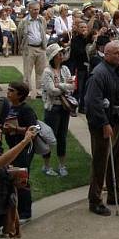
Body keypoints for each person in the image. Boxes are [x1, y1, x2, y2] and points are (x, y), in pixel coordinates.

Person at [85, 41, 119, 216]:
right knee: (101, 161)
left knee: (118, 159)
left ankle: (116, 192)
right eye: (116, 53)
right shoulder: (99, 74)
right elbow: (93, 102)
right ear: (106, 54)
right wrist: (104, 123)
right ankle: (95, 199)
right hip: (105, 124)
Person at [3, 82, 38, 223]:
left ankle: (25, 212)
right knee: (15, 177)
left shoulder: (26, 110)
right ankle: (18, 208)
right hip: (14, 147)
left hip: (25, 149)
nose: (8, 92)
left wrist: (15, 129)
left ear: (20, 95)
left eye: (12, 91)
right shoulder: (10, 108)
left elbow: (33, 130)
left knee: (22, 178)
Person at [41, 43, 75, 176]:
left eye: (62, 53)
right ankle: (46, 166)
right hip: (52, 108)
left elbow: (72, 86)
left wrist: (60, 85)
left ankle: (62, 165)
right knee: (49, 137)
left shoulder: (65, 69)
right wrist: (65, 86)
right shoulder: (47, 71)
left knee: (62, 137)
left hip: (64, 107)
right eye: (59, 53)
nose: (62, 55)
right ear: (53, 57)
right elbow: (51, 91)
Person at [17, 2, 48, 98]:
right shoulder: (23, 21)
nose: (36, 11)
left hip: (41, 48)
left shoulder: (42, 20)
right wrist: (22, 46)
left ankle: (39, 90)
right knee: (27, 72)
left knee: (41, 71)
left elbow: (44, 31)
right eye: (34, 9)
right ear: (29, 9)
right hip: (29, 48)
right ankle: (28, 91)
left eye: (37, 9)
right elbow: (19, 35)